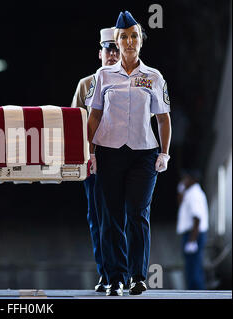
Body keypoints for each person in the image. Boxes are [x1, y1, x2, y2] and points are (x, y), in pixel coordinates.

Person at [86, 11, 172, 296]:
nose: (130, 41)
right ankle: (115, 277)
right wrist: (91, 151)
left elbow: (163, 118)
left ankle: (137, 275)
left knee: (137, 212)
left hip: (143, 154)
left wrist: (165, 153)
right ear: (116, 41)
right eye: (124, 37)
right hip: (110, 152)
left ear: (141, 41)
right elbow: (94, 115)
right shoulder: (103, 75)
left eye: (134, 36)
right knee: (110, 216)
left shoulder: (153, 77)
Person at [71, 27, 119, 292]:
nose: (112, 54)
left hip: (122, 157)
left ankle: (121, 273)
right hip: (95, 158)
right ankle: (105, 271)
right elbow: (75, 124)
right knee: (97, 218)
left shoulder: (129, 81)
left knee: (119, 216)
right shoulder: (86, 84)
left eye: (116, 49)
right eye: (107, 49)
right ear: (99, 53)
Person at [177, 169, 209, 290]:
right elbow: (180, 204)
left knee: (194, 268)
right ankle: (194, 291)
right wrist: (180, 191)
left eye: (186, 179)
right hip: (192, 234)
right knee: (191, 266)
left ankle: (197, 293)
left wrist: (192, 240)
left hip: (194, 234)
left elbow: (197, 218)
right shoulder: (189, 193)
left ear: (193, 180)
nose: (184, 181)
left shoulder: (194, 194)